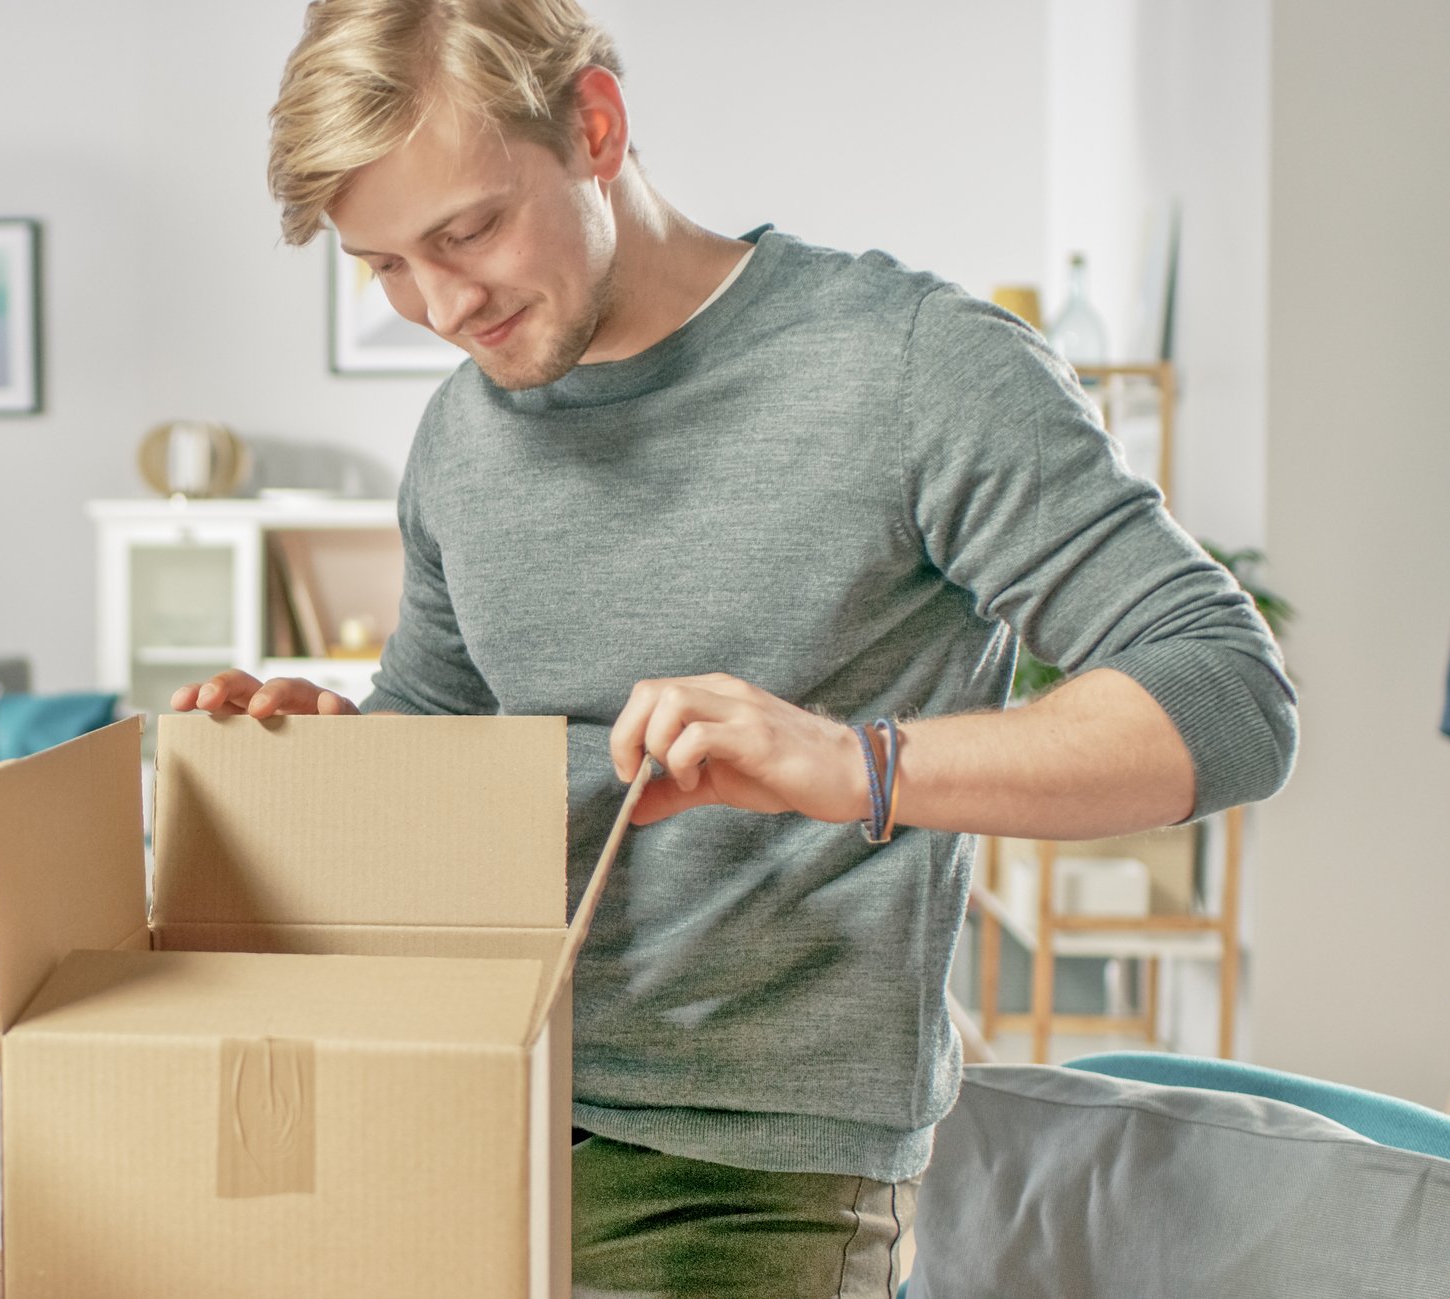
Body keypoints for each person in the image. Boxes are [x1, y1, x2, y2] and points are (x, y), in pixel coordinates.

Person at [172, 1, 1298, 1295]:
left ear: (595, 126)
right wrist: (328, 750)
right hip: (457, 1099)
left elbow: (1226, 696)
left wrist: (848, 763)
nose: (436, 304)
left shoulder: (911, 367)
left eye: (466, 230)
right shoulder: (461, 436)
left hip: (743, 1172)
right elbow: (442, 729)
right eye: (383, 266)